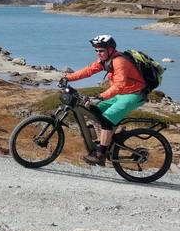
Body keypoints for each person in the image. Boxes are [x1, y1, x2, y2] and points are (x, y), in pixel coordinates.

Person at [58, 34, 146, 165]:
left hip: (134, 94)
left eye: (101, 50)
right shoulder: (105, 60)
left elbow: (119, 85)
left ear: (110, 49)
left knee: (106, 119)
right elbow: (89, 70)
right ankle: (108, 140)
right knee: (95, 110)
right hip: (121, 94)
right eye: (96, 50)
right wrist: (68, 78)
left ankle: (100, 155)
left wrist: (101, 96)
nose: (98, 53)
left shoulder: (119, 61)